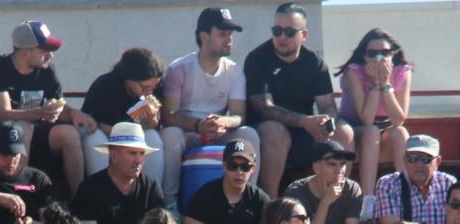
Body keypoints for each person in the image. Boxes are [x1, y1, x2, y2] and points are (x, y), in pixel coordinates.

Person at [159, 5, 257, 211]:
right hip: (187, 132)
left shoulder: (235, 71)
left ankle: (251, 202)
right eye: (222, 33)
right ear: (204, 37)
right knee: (170, 135)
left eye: (230, 34)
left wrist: (224, 122)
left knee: (249, 135)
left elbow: (239, 115)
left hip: (219, 132)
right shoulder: (179, 69)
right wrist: (197, 125)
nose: (229, 39)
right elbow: (168, 116)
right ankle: (170, 204)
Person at [245, 3, 349, 196]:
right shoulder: (257, 58)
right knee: (274, 131)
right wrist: (304, 121)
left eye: (289, 32)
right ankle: (271, 204)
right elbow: (264, 108)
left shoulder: (315, 63)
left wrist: (326, 124)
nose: (281, 37)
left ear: (304, 35)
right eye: (277, 31)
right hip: (265, 132)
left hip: (304, 132)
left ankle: (340, 200)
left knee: (344, 131)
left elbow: (327, 105)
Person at [0, 19, 92, 194]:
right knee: (24, 128)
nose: (50, 56)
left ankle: (79, 199)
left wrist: (74, 114)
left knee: (69, 134)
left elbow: (59, 108)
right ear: (25, 53)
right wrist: (41, 112)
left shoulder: (47, 71)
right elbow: (4, 114)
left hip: (40, 135)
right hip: (4, 138)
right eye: (44, 51)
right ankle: (20, 194)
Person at [80, 48, 170, 201]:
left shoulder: (155, 89)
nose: (149, 92)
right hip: (105, 132)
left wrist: (150, 120)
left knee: (153, 137)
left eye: (153, 87)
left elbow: (153, 125)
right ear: (129, 79)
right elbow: (105, 127)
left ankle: (152, 196)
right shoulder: (106, 85)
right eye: (144, 87)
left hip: (134, 135)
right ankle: (101, 195)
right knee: (94, 139)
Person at [335, 28, 409, 208]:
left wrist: (386, 84)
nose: (379, 58)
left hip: (386, 126)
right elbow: (366, 118)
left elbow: (399, 119)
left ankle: (405, 195)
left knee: (401, 133)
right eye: (372, 53)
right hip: (356, 126)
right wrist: (376, 83)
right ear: (364, 56)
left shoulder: (402, 72)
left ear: (393, 54)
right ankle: (368, 199)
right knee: (371, 132)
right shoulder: (354, 72)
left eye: (385, 53)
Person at [73, 122, 166, 224]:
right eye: (132, 153)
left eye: (142, 153)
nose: (139, 160)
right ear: (114, 156)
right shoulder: (90, 188)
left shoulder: (151, 187)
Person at [367, 132, 454, 224]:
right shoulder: (388, 184)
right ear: (404, 159)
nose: (418, 164)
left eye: (425, 159)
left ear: (437, 162)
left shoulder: (449, 184)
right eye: (412, 158)